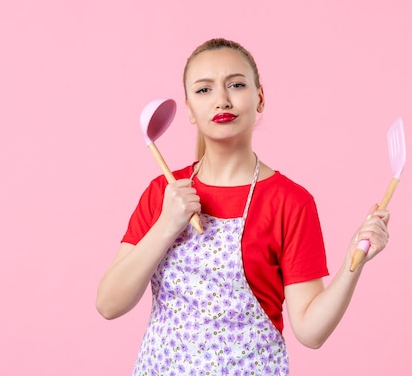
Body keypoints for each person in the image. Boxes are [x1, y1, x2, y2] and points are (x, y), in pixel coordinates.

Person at [96, 38, 390, 375]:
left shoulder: (290, 202)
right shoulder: (164, 192)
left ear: (259, 98)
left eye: (236, 85)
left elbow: (310, 332)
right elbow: (108, 304)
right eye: (204, 90)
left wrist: (355, 260)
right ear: (190, 109)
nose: (222, 100)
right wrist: (167, 223)